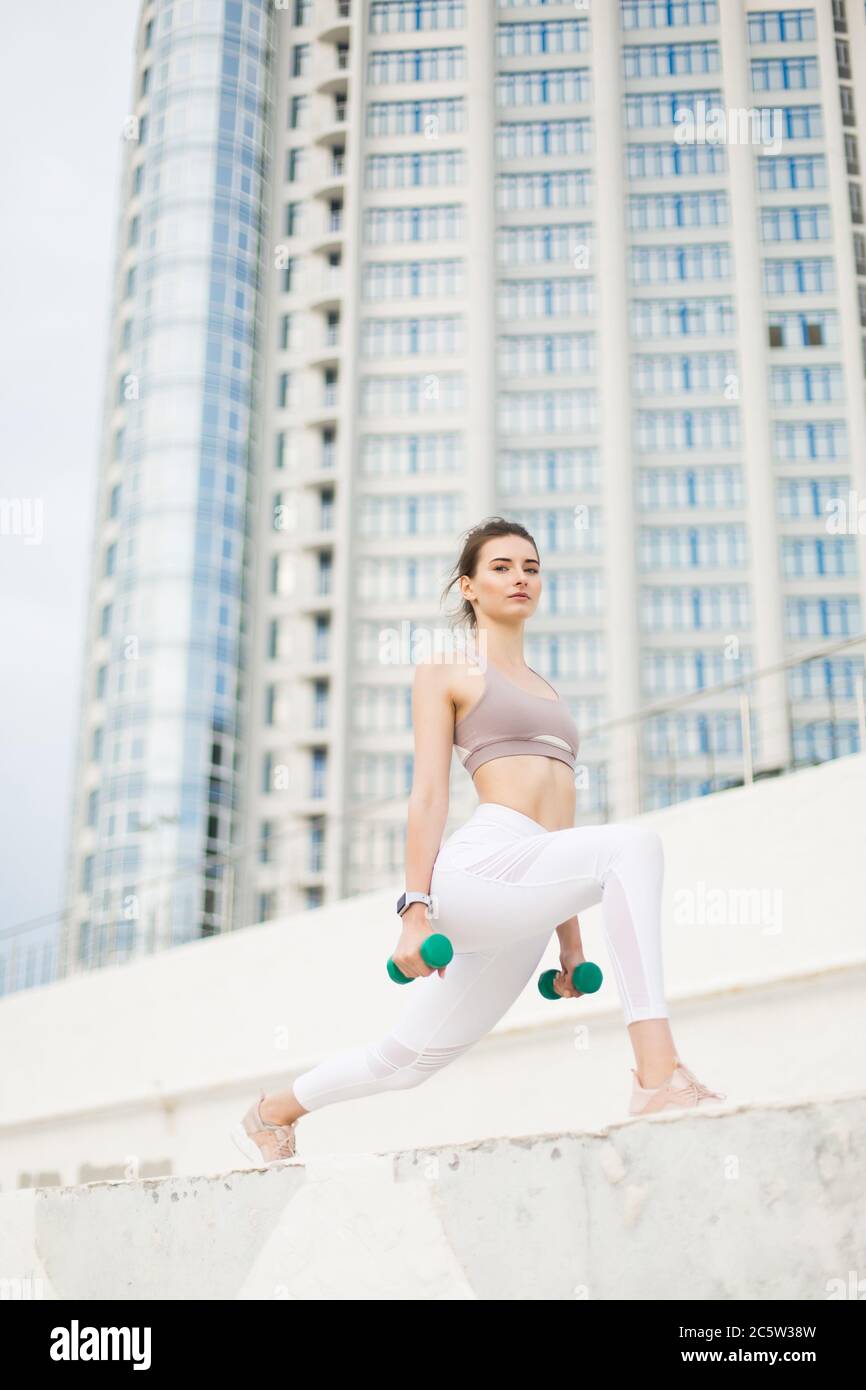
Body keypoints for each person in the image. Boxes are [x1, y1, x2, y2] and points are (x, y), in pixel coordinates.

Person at [231, 518, 725, 1167]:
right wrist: (414, 909)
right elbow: (429, 795)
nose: (519, 577)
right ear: (468, 585)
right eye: (501, 566)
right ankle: (657, 1077)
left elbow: (562, 833)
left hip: (529, 887)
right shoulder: (447, 671)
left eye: (531, 566)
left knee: (407, 1061)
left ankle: (273, 1112)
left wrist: (571, 944)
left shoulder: (551, 692)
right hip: (480, 866)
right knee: (636, 846)